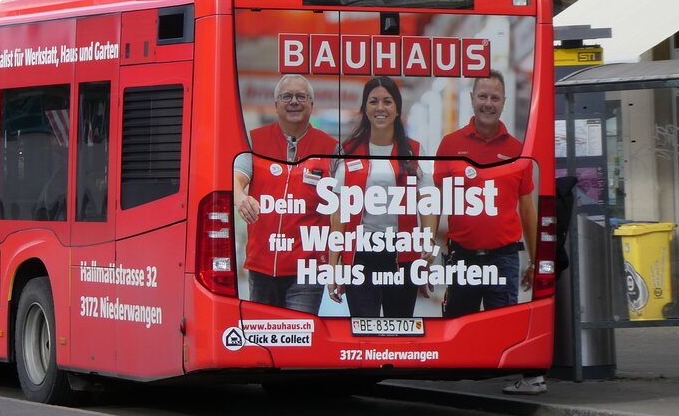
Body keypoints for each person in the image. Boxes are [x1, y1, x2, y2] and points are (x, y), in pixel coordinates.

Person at [431, 72, 544, 395]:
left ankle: (510, 380)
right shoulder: (450, 145)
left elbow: (527, 210)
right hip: (462, 256)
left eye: (495, 98)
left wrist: (535, 262)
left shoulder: (517, 149)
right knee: (457, 326)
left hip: (504, 257)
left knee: (504, 324)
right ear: (472, 98)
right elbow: (436, 203)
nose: (488, 104)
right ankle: (453, 390)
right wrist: (425, 249)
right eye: (483, 97)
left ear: (504, 103)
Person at [327, 76, 433, 318]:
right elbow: (339, 210)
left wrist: (427, 252)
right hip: (361, 255)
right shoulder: (349, 151)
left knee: (400, 326)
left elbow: (428, 204)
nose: (380, 108)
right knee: (364, 330)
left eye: (387, 101)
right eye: (373, 102)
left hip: (403, 254)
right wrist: (335, 264)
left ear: (397, 109)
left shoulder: (415, 152)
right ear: (365, 109)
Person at [233, 75, 336, 314]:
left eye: (301, 96)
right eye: (287, 96)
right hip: (261, 265)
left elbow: (343, 207)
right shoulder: (255, 140)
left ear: (312, 104)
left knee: (299, 339)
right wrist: (241, 197)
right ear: (276, 104)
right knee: (264, 338)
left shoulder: (331, 148)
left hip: (308, 269)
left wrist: (335, 264)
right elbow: (238, 177)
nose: (294, 102)